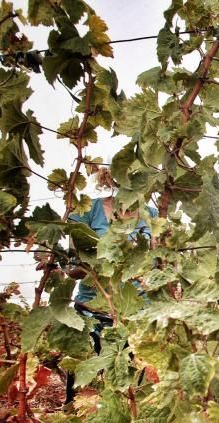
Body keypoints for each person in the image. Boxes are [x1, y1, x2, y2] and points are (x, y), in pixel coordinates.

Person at [63, 164, 156, 402]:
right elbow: (73, 267)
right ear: (115, 181)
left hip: (138, 310)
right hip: (95, 307)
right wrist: (85, 262)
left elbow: (159, 263)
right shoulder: (88, 213)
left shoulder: (153, 216)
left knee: (134, 383)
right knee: (88, 382)